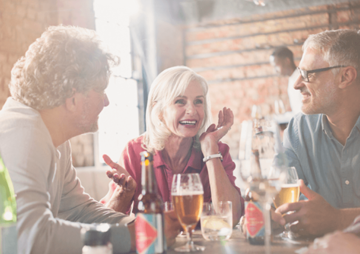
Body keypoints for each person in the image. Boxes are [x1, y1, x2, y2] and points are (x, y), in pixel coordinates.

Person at [0, 25, 181, 254]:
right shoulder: (22, 135)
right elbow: (28, 238)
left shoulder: (52, 137)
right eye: (100, 89)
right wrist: (134, 237)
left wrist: (137, 226)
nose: (106, 101)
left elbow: (78, 210)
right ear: (73, 97)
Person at [103, 66, 243, 226]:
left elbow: (231, 218)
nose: (192, 110)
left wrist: (211, 150)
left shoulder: (218, 151)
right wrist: (124, 193)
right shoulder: (135, 151)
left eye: (198, 101)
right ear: (159, 111)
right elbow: (107, 225)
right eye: (180, 102)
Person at [272, 29, 360, 238]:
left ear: (345, 76)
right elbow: (276, 188)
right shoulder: (298, 129)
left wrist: (338, 220)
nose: (296, 84)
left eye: (307, 74)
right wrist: (261, 205)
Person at [270, 46, 302, 114]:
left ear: (287, 61)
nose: (275, 70)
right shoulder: (292, 79)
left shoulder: (301, 78)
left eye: (276, 66)